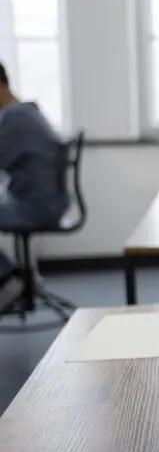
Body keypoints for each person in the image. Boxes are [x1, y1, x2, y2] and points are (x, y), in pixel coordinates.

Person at [0, 63, 69, 310]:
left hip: (34, 206)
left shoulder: (13, 118)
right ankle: (20, 277)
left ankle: (9, 278)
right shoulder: (25, 112)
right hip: (46, 202)